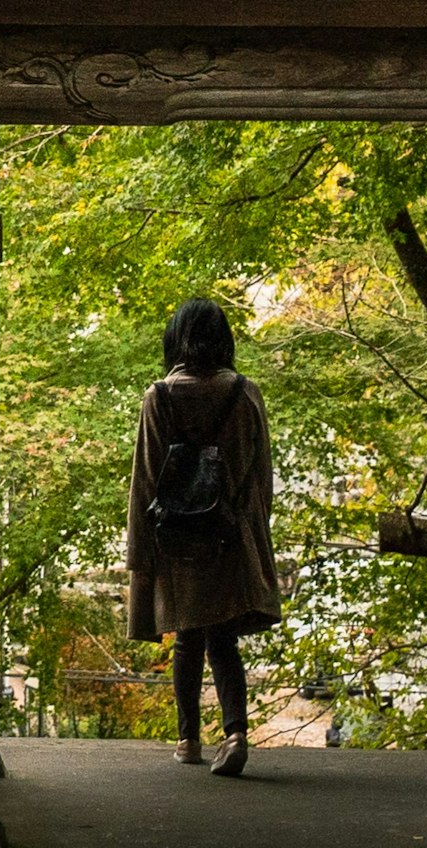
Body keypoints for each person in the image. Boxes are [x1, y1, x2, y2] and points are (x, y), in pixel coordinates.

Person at [126, 294, 281, 776]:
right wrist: (254, 529)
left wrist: (140, 553)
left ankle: (188, 738)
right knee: (224, 640)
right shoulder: (245, 393)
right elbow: (262, 474)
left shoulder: (160, 396)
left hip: (177, 536)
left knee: (187, 639)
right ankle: (235, 733)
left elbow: (145, 479)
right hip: (230, 532)